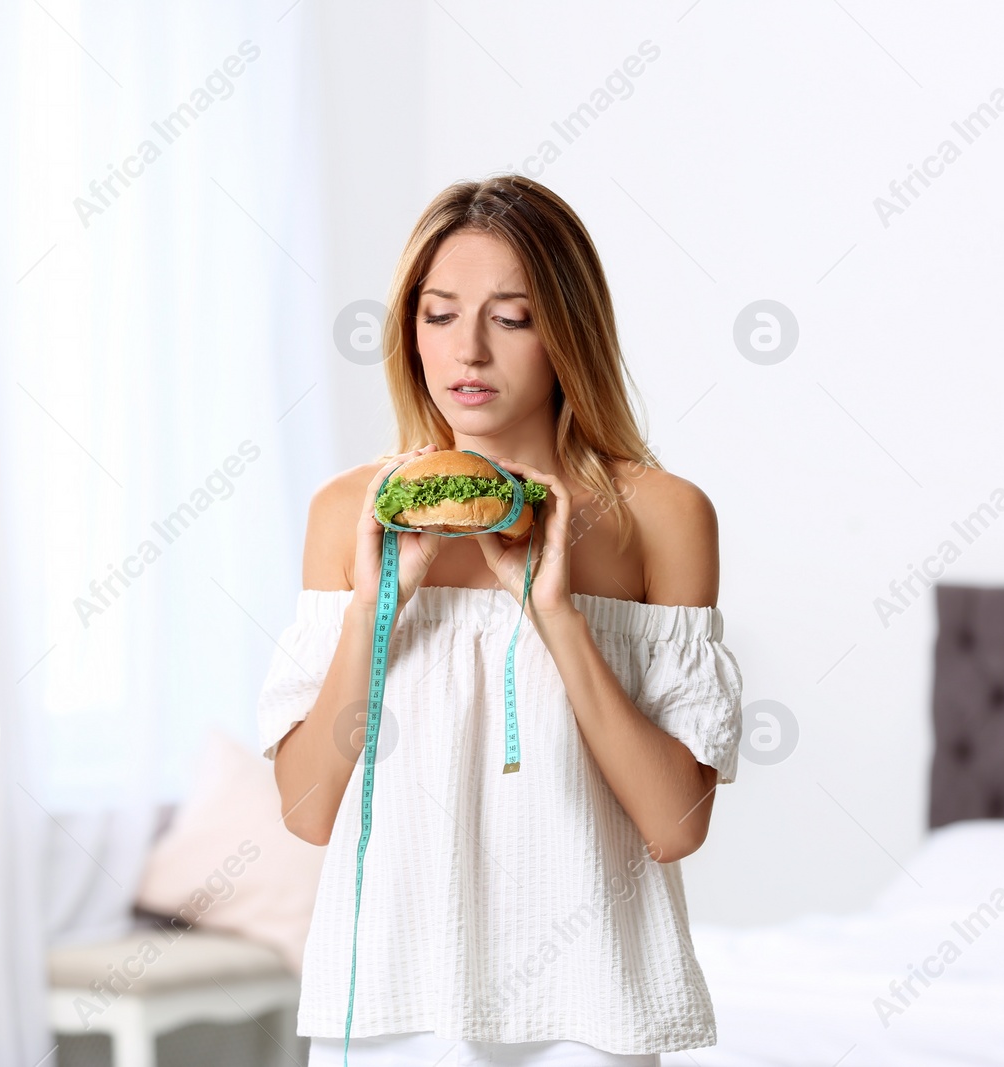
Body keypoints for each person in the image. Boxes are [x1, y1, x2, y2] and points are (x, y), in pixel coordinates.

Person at [258, 175, 744, 1066]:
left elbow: (676, 824)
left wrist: (553, 611)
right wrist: (376, 606)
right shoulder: (349, 513)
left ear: (568, 331)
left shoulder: (664, 517)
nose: (468, 352)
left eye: (511, 318)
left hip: (588, 1007)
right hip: (390, 1006)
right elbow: (305, 809)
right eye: (439, 315)